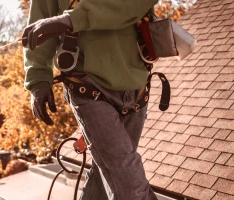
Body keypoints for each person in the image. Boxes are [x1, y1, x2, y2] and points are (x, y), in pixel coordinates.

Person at [22, 0, 159, 199]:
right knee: (130, 187)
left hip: (136, 86)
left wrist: (71, 19)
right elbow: (40, 23)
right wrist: (38, 78)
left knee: (106, 179)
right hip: (87, 85)